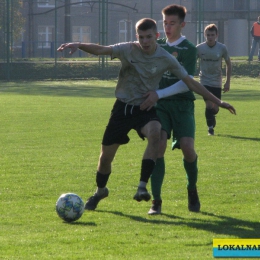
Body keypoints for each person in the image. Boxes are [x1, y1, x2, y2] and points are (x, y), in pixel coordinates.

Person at [57, 18, 236, 211]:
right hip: (122, 109)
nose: (145, 41)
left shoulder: (165, 57)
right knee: (105, 159)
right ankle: (100, 190)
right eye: (141, 37)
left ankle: (142, 186)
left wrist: (218, 101)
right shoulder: (128, 49)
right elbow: (102, 49)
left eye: (149, 37)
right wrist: (79, 44)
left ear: (156, 36)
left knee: (156, 132)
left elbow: (191, 83)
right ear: (137, 37)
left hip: (144, 108)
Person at [140, 4, 202, 215]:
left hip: (183, 104)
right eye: (165, 23)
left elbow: (187, 83)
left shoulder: (189, 49)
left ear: (182, 24)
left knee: (187, 148)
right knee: (158, 146)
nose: (167, 27)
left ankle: (191, 189)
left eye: (172, 23)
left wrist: (159, 93)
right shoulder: (155, 45)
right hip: (161, 106)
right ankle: (156, 201)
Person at [197, 24, 232, 136]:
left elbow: (228, 64)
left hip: (216, 81)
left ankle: (212, 117)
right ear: (204, 35)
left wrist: (227, 81)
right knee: (208, 104)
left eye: (212, 35)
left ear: (216, 35)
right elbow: (191, 62)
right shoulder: (199, 48)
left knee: (215, 108)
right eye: (208, 35)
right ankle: (210, 128)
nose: (210, 37)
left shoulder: (222, 48)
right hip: (204, 80)